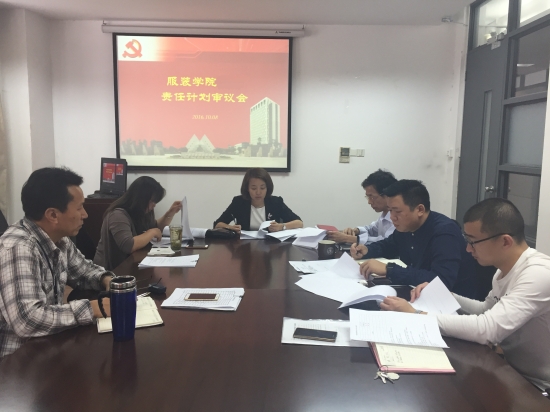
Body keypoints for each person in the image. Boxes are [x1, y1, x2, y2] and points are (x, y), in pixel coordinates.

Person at [380, 198, 550, 390]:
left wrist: (417, 315)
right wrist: (445, 294)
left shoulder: (537, 274)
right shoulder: (502, 270)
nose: (468, 249)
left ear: (505, 241)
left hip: (540, 386)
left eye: (473, 242)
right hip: (512, 372)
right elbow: (486, 309)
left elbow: (488, 329)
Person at [0, 167, 115, 358]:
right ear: (53, 215)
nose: (85, 214)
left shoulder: (60, 240)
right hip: (17, 362)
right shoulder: (18, 247)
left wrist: (107, 280)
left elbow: (84, 271)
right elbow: (27, 320)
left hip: (48, 346)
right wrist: (92, 308)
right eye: (79, 208)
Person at [350, 179, 477, 298]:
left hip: (450, 302)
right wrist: (367, 250)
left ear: (420, 209)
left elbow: (441, 280)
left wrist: (389, 270)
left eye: (397, 211)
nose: (392, 217)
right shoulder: (407, 226)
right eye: (390, 211)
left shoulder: (444, 232)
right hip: (417, 293)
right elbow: (388, 245)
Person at [94, 176, 181, 270]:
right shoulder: (117, 215)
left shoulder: (142, 211)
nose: (154, 205)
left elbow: (156, 227)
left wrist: (170, 213)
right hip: (109, 271)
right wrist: (151, 232)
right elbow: (128, 245)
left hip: (131, 265)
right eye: (152, 201)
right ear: (141, 199)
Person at [214, 168, 302, 233]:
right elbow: (217, 224)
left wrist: (282, 226)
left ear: (267, 188)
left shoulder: (276, 202)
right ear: (247, 188)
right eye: (253, 188)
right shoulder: (239, 202)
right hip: (244, 247)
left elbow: (299, 223)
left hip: (272, 247)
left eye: (262, 188)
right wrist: (230, 228)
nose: (258, 192)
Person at [327, 169, 396, 244]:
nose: (369, 202)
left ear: (386, 194)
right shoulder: (385, 214)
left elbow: (387, 243)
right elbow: (371, 229)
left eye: (372, 197)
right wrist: (356, 230)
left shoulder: (397, 217)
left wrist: (350, 239)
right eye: (368, 197)